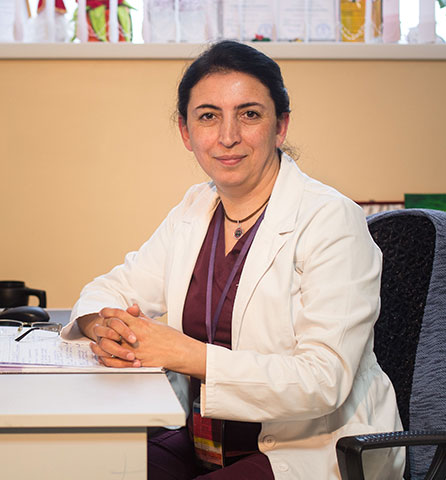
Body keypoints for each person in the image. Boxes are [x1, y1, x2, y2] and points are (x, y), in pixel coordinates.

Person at [61, 40, 404, 479]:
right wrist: (105, 328)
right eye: (208, 116)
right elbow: (111, 288)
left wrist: (186, 354)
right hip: (204, 441)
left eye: (249, 114)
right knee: (88, 466)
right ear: (186, 132)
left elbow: (324, 379)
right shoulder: (195, 209)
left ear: (280, 126)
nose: (227, 136)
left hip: (312, 450)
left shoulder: (330, 220)